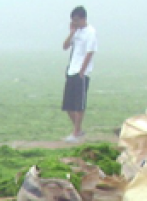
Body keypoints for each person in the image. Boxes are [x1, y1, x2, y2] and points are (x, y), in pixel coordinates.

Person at [61, 6, 97, 143]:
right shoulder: (76, 32)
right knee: (68, 105)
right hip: (71, 70)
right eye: (73, 20)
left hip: (82, 72)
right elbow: (65, 46)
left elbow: (90, 52)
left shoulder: (91, 32)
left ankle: (76, 133)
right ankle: (79, 129)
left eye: (76, 20)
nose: (74, 22)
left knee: (79, 105)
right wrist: (71, 32)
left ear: (83, 18)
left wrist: (82, 71)